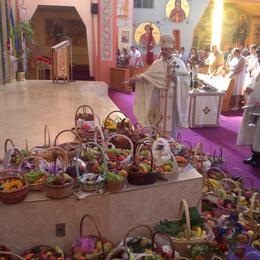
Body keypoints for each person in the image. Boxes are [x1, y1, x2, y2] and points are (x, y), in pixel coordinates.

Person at [128, 34, 190, 139]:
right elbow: (148, 77)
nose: (164, 51)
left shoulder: (179, 63)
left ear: (172, 50)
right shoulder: (156, 64)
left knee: (171, 128)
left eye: (166, 49)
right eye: (162, 49)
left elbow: (187, 80)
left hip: (173, 102)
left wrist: (176, 78)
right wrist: (137, 79)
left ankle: (171, 145)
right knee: (155, 124)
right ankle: (154, 142)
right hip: (157, 101)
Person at [237, 47, 260, 168]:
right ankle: (255, 155)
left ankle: (259, 158)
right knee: (253, 131)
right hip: (253, 105)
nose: (259, 59)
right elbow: (255, 83)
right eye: (259, 56)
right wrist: (249, 88)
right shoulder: (258, 68)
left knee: (259, 133)